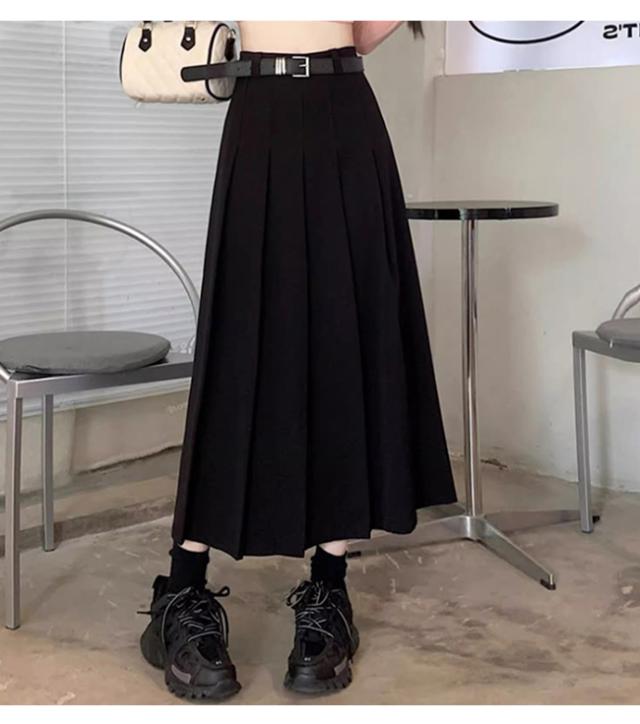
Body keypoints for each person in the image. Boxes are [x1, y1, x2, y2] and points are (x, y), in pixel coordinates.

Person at [137, 20, 457, 701]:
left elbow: (359, 32)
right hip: (261, 111)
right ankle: (182, 589)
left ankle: (329, 587)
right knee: (237, 344)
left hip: (346, 111)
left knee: (349, 336)